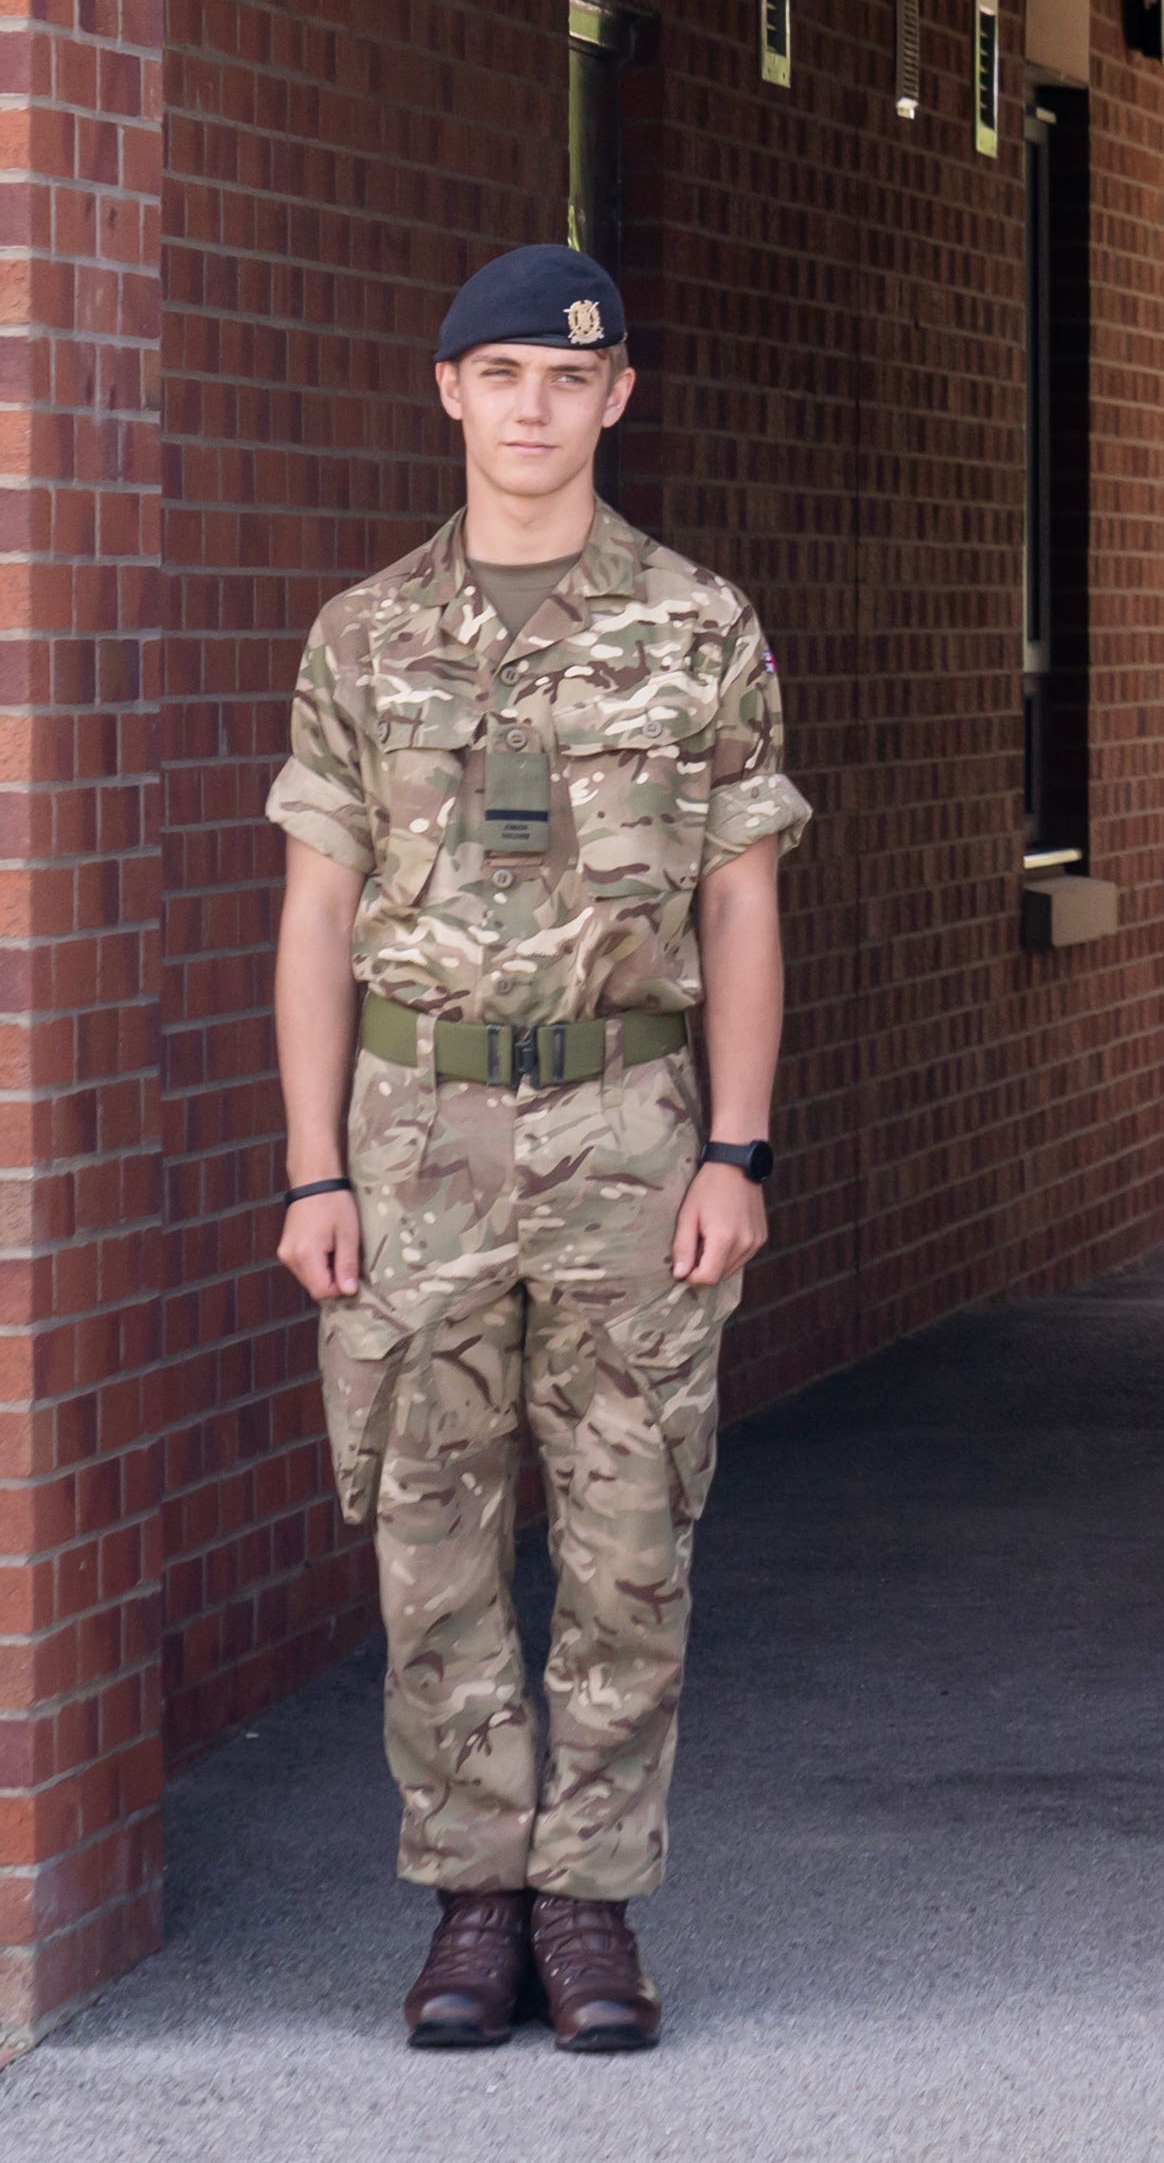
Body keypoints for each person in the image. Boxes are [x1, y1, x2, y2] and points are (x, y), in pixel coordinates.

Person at [263, 247, 801, 2057]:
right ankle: (468, 1905)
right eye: (497, 375)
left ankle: (590, 1907)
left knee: (632, 1527)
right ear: (450, 396)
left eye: (566, 379)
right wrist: (312, 1170)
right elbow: (314, 912)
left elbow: (740, 907)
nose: (530, 408)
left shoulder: (700, 624)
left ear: (616, 398)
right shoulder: (364, 636)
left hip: (634, 1130)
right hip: (411, 1138)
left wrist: (740, 1147)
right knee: (426, 1525)